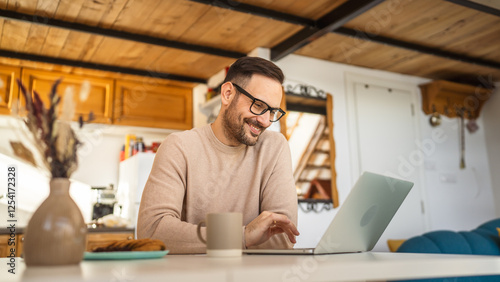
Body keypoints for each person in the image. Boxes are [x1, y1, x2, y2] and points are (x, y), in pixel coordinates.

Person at [137, 56, 299, 254]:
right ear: (228, 94)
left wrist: (195, 240)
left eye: (273, 112)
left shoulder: (275, 148)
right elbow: (152, 232)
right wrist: (243, 236)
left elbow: (282, 236)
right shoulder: (178, 147)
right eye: (258, 105)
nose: (266, 121)